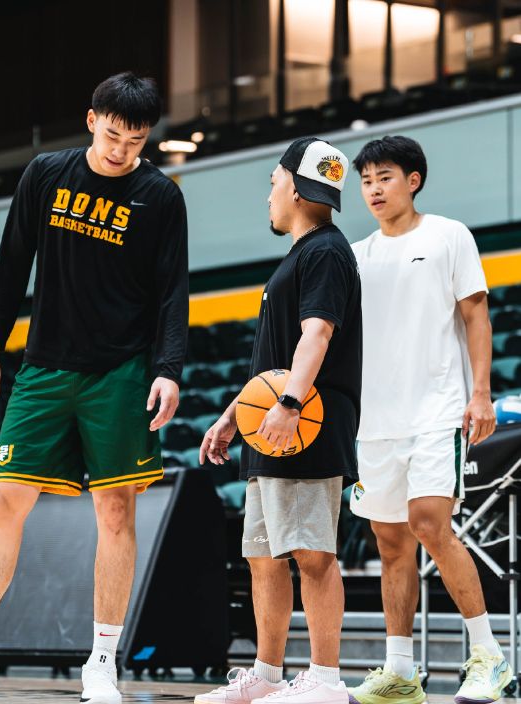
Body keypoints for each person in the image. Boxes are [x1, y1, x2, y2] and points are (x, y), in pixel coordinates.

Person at [0, 72, 189, 704]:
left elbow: (173, 291)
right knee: (3, 503)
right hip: (44, 368)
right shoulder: (46, 175)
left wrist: (168, 368)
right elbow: (11, 264)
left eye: (135, 141)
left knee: (116, 513)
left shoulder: (160, 196)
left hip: (121, 372)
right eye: (112, 135)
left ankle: (102, 666)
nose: (120, 151)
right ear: (91, 120)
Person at [197, 137, 362, 704]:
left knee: (312, 553)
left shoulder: (326, 252)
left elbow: (318, 334)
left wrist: (290, 404)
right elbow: (272, 364)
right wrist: (231, 417)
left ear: (293, 184)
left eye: (273, 181)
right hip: (272, 425)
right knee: (263, 556)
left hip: (305, 425)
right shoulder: (302, 254)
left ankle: (325, 679)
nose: (269, 194)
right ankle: (266, 677)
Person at [348, 135, 512, 704]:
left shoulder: (448, 235)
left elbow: (476, 315)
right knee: (390, 542)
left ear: (412, 180)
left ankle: (489, 657)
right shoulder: (357, 254)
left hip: (438, 410)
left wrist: (481, 393)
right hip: (375, 421)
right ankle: (400, 672)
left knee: (428, 524)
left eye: (385, 177)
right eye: (366, 181)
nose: (373, 189)